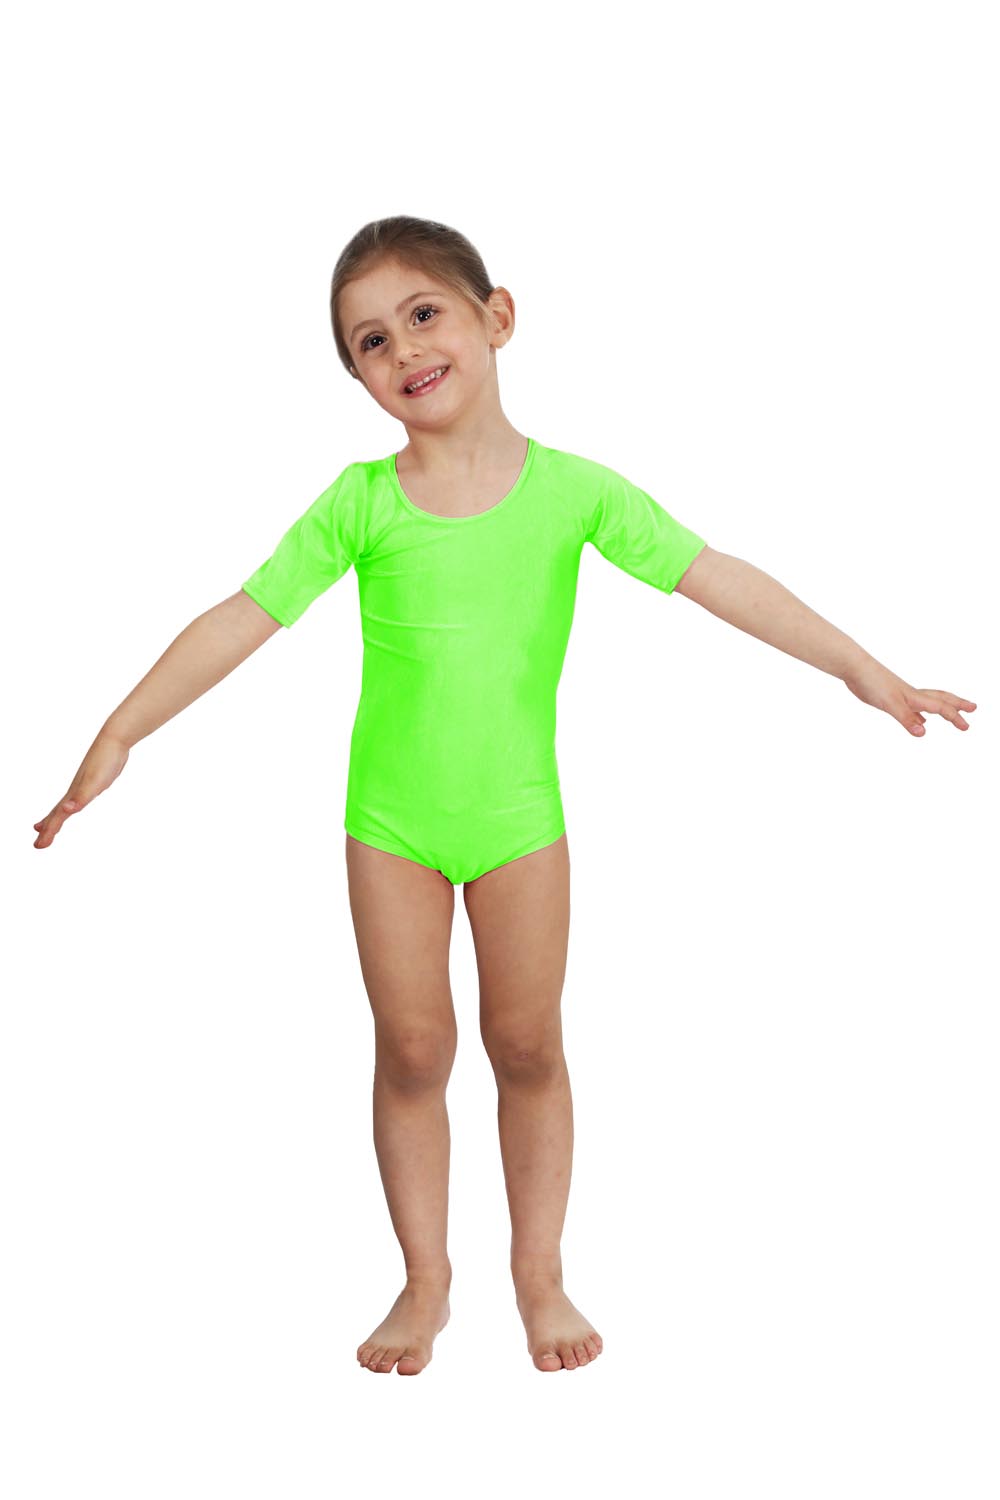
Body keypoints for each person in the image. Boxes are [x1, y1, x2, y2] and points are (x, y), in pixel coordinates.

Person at [33, 215, 977, 1377]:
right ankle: (426, 1280)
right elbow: (242, 616)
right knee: (412, 1048)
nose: (403, 349)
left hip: (520, 820)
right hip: (392, 823)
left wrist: (860, 668)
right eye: (370, 341)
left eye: (422, 314)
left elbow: (714, 574)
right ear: (357, 379)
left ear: (497, 317)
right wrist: (120, 733)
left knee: (526, 1043)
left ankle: (539, 1272)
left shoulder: (574, 492)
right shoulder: (359, 502)